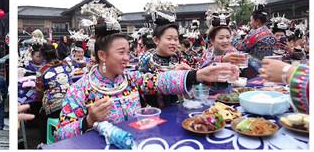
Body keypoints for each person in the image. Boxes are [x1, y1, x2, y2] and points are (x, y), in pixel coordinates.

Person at [54, 21, 238, 141]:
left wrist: (197, 75)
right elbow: (60, 134)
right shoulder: (80, 89)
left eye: (128, 52)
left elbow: (158, 81)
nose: (127, 58)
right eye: (121, 53)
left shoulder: (131, 79)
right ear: (102, 55)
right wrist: (88, 120)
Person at [36, 43, 72, 144]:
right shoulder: (65, 64)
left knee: (42, 116)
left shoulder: (42, 71)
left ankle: (44, 142)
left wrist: (42, 105)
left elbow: (39, 92)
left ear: (43, 56)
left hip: (54, 108)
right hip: (70, 102)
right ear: (55, 53)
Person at [237, 1, 277, 72]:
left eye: (251, 20)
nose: (250, 23)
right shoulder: (271, 33)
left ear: (257, 21)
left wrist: (235, 38)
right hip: (269, 66)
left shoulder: (255, 34)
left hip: (255, 67)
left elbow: (242, 47)